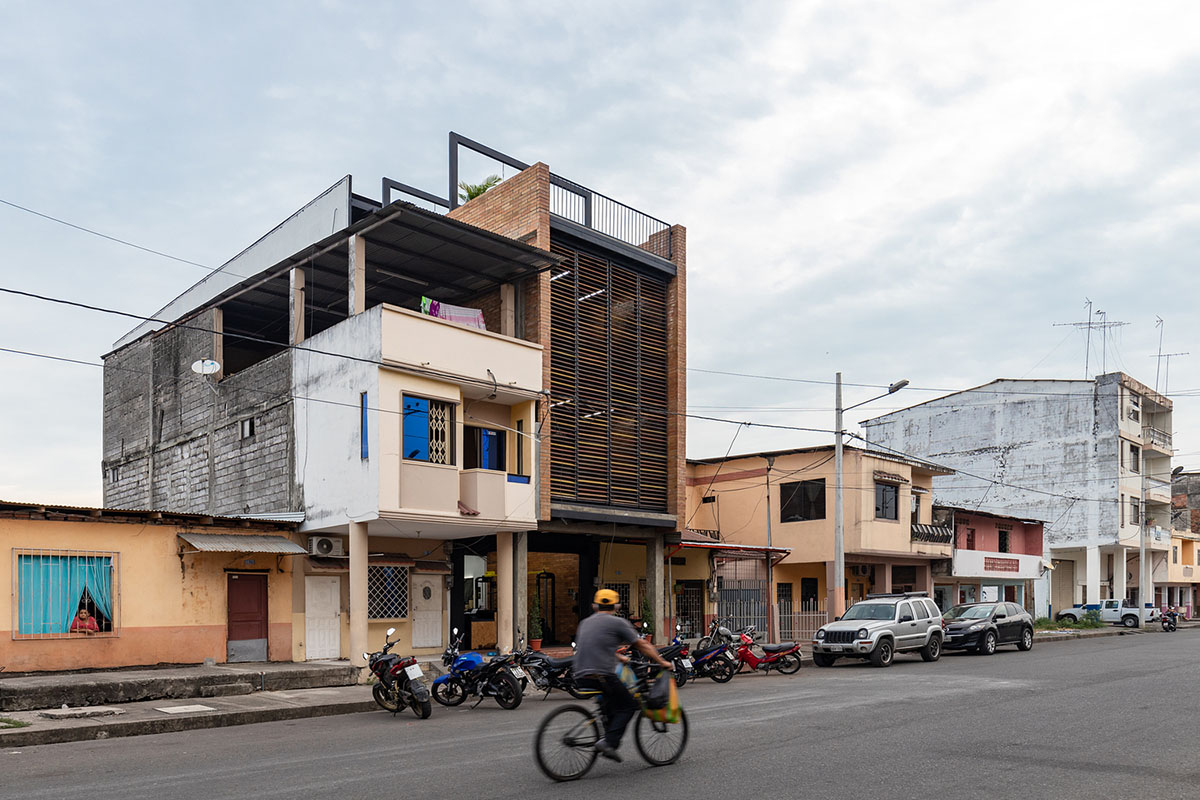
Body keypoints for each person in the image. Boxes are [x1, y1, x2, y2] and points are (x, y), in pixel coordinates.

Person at [573, 589, 672, 762]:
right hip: (601, 675)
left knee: (612, 701)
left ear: (595, 606)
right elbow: (642, 645)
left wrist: (620, 657)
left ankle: (606, 731)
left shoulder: (585, 623)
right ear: (616, 606)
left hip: (579, 675)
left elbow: (597, 646)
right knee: (629, 705)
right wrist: (662, 661)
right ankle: (609, 742)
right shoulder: (617, 622)